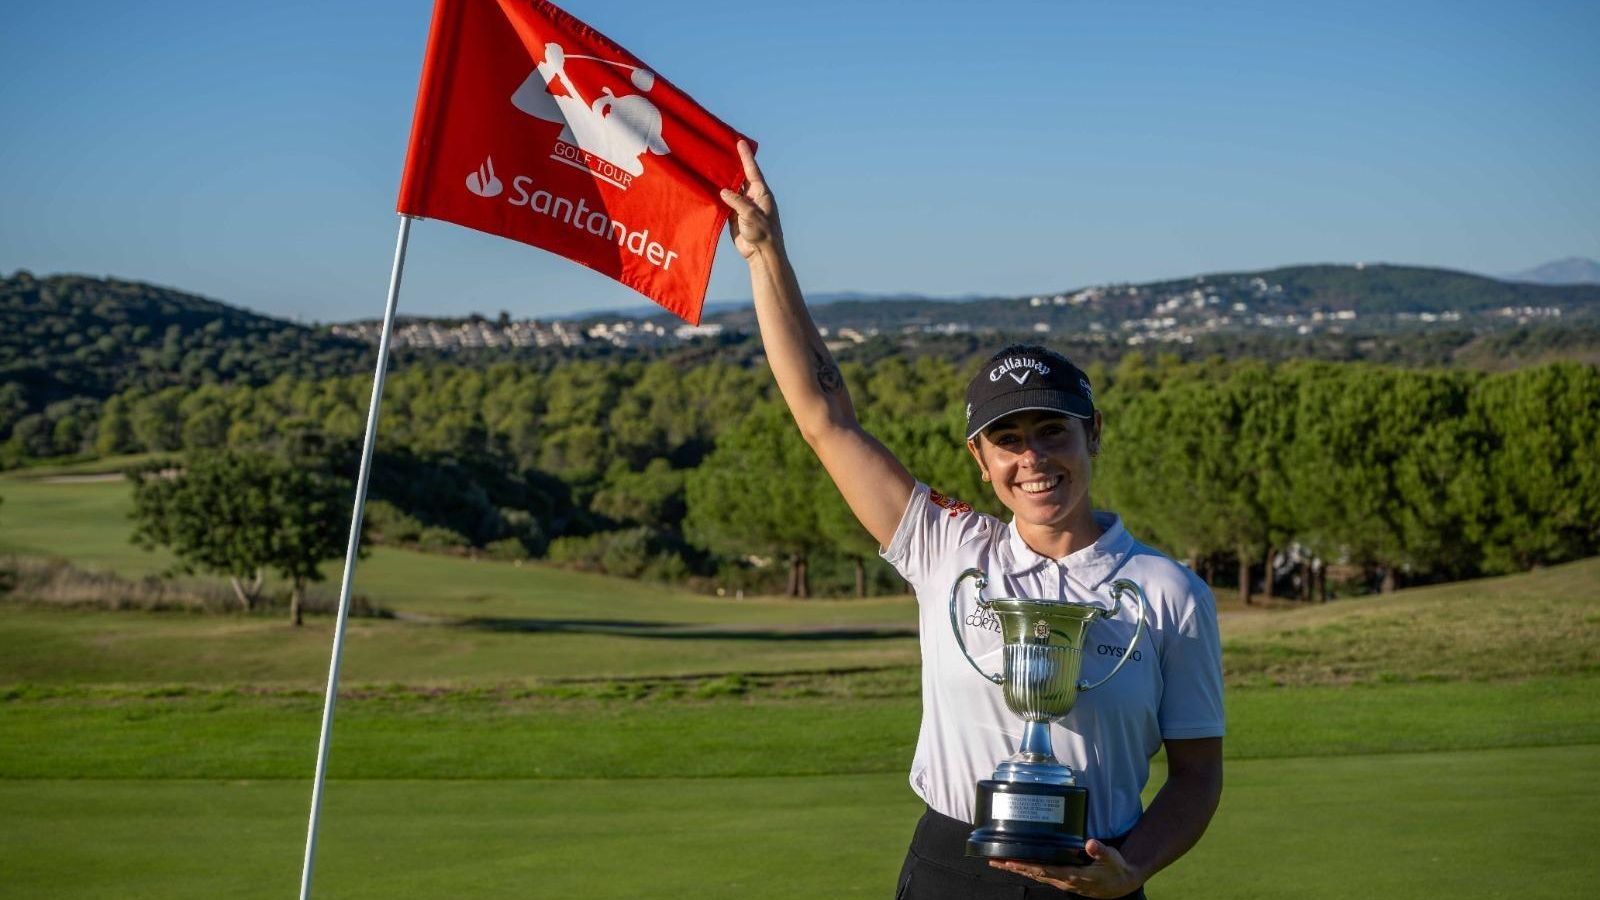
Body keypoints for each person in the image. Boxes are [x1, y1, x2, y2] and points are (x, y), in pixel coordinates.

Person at [720, 141, 1225, 900]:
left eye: (1054, 431)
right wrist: (765, 253)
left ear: (1094, 435)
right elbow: (825, 418)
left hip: (1099, 872)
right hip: (951, 871)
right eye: (1009, 440)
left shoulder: (1169, 591)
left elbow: (1197, 775)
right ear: (980, 461)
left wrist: (1136, 868)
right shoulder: (947, 546)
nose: (1034, 459)